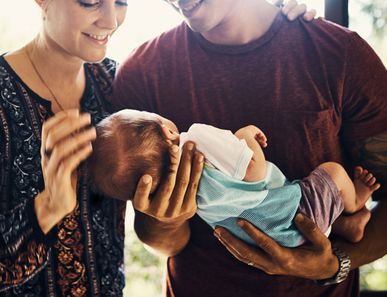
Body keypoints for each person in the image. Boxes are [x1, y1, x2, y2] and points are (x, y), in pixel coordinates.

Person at [0, 0, 313, 295]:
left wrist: (277, 18)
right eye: (90, 1)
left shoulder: (115, 85)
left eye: (121, 1)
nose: (111, 20)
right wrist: (46, 209)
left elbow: (161, 240)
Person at [110, 0, 387, 296]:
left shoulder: (338, 52)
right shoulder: (141, 75)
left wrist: (335, 264)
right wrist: (166, 222)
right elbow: (162, 241)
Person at [90, 109, 379, 246]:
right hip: (298, 211)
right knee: (333, 173)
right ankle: (354, 201)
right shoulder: (197, 138)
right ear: (166, 130)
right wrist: (245, 136)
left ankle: (345, 224)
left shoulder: (183, 196)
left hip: (281, 240)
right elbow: (254, 171)